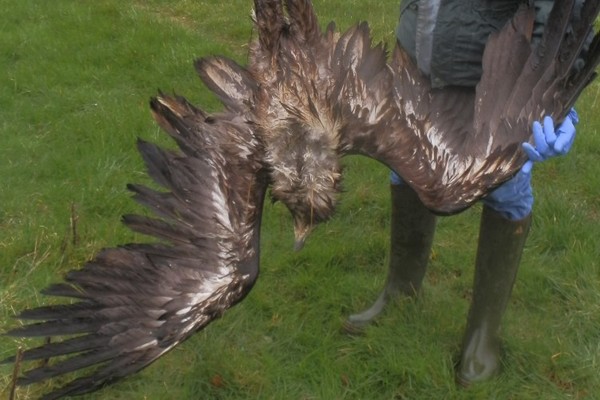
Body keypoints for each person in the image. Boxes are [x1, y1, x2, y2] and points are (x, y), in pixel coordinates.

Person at [345, 0, 584, 385]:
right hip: (418, 59)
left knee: (504, 188)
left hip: (495, 78)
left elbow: (555, 9)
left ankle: (481, 335)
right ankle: (400, 291)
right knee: (409, 169)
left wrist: (550, 98)